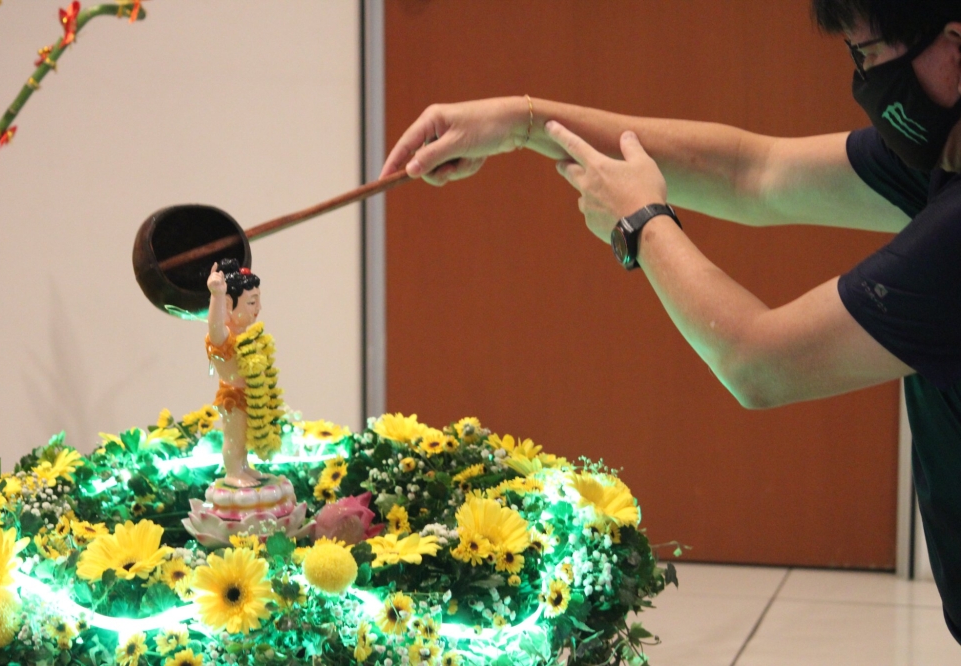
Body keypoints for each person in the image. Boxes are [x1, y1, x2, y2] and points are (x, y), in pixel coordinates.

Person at [380, 0, 961, 645]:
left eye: (871, 55)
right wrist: (524, 122)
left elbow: (758, 362)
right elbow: (751, 172)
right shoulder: (946, 150)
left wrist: (640, 224)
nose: (863, 80)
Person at [206, 259, 284, 487]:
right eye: (251, 302)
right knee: (235, 438)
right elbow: (215, 326)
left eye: (258, 301)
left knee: (245, 439)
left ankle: (243, 466)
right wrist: (217, 296)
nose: (258, 309)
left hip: (251, 395)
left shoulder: (249, 337)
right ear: (230, 305)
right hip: (234, 398)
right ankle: (233, 471)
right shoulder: (224, 339)